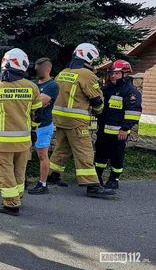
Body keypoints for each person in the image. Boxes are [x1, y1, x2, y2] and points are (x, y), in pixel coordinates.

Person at [0, 48, 42, 216]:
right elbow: (38, 115)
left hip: (3, 142)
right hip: (24, 141)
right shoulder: (32, 87)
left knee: (5, 172)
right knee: (19, 171)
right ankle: (18, 196)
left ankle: (11, 204)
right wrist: (33, 129)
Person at [48, 43, 116, 198]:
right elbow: (96, 100)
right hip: (77, 122)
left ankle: (52, 175)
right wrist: (99, 112)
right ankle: (92, 185)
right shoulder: (87, 75)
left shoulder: (63, 73)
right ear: (88, 57)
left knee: (61, 148)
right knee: (84, 151)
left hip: (60, 119)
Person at [94, 60, 142, 189]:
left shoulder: (131, 92)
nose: (112, 76)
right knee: (100, 156)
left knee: (117, 157)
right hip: (103, 131)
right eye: (111, 73)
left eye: (116, 73)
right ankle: (97, 178)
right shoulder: (106, 89)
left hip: (119, 133)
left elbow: (133, 112)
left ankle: (114, 179)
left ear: (125, 74)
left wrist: (125, 128)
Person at [28, 58, 59, 195]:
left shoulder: (52, 85)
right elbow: (34, 101)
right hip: (30, 125)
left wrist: (34, 100)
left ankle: (43, 183)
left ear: (48, 69)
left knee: (42, 155)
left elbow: (41, 102)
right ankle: (22, 180)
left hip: (44, 125)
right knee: (25, 153)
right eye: (36, 67)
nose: (37, 70)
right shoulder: (33, 84)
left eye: (40, 68)